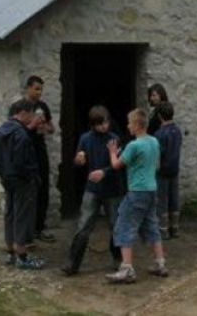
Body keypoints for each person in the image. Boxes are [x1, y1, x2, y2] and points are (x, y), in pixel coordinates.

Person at [105, 108, 168, 283]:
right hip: (151, 189)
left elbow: (117, 164)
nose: (127, 126)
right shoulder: (154, 141)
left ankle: (126, 268)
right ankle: (160, 262)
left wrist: (112, 152)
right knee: (151, 225)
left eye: (129, 123)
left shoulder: (134, 145)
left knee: (124, 226)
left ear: (137, 125)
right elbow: (156, 166)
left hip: (137, 190)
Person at [61, 105, 124, 276]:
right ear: (93, 124)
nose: (104, 126)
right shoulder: (85, 139)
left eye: (106, 122)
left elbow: (119, 164)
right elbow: (77, 162)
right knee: (83, 226)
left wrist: (104, 172)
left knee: (115, 226)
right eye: (100, 124)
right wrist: (78, 160)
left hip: (113, 189)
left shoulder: (114, 138)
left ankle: (118, 260)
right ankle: (72, 263)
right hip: (93, 189)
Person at [0, 99, 45, 269]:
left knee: (10, 213)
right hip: (22, 181)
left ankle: (10, 251)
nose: (32, 118)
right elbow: (23, 162)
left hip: (7, 179)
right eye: (31, 114)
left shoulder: (0, 131)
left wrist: (3, 174)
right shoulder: (21, 134)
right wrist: (33, 177)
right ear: (22, 112)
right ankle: (21, 254)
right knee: (22, 215)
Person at [23, 75, 56, 242]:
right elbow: (16, 130)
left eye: (41, 89)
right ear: (28, 88)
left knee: (43, 187)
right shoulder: (20, 107)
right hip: (25, 151)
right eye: (36, 88)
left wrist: (45, 127)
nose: (39, 92)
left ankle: (40, 227)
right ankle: (26, 230)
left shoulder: (42, 106)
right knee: (28, 190)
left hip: (40, 150)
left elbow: (52, 128)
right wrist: (32, 125)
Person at [154, 101, 183, 240]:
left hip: (162, 171)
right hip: (175, 169)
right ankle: (175, 228)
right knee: (174, 199)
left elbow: (158, 154)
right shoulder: (177, 131)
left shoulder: (159, 134)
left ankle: (163, 230)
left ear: (159, 116)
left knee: (162, 200)